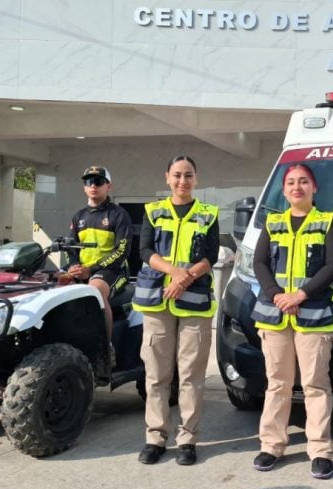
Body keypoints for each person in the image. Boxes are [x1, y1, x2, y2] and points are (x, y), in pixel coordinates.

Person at [250, 163, 333, 480]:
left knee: (315, 385)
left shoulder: (328, 222)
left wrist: (300, 295)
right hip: (276, 315)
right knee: (276, 383)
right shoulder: (273, 222)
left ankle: (320, 450)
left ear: (314, 187)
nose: (296, 187)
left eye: (303, 181)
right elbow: (260, 262)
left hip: (313, 316)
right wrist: (278, 294)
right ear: (284, 189)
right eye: (290, 182)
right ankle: (271, 445)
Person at [133, 155, 220, 466]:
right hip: (158, 300)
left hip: (194, 301)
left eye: (189, 175)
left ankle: (187, 438)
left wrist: (185, 279)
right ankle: (155, 437)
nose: (183, 181)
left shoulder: (208, 214)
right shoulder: (153, 211)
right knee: (156, 375)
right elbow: (145, 251)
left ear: (196, 179)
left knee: (191, 376)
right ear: (167, 177)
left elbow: (210, 255)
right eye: (177, 175)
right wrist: (173, 272)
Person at [66, 165, 132, 361]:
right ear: (84, 187)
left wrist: (92, 270)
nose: (93, 185)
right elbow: (71, 247)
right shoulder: (78, 216)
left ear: (108, 186)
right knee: (52, 285)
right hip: (84, 270)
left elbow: (122, 251)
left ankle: (105, 348)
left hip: (113, 270)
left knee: (94, 291)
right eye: (89, 182)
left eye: (98, 181)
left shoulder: (119, 214)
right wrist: (73, 266)